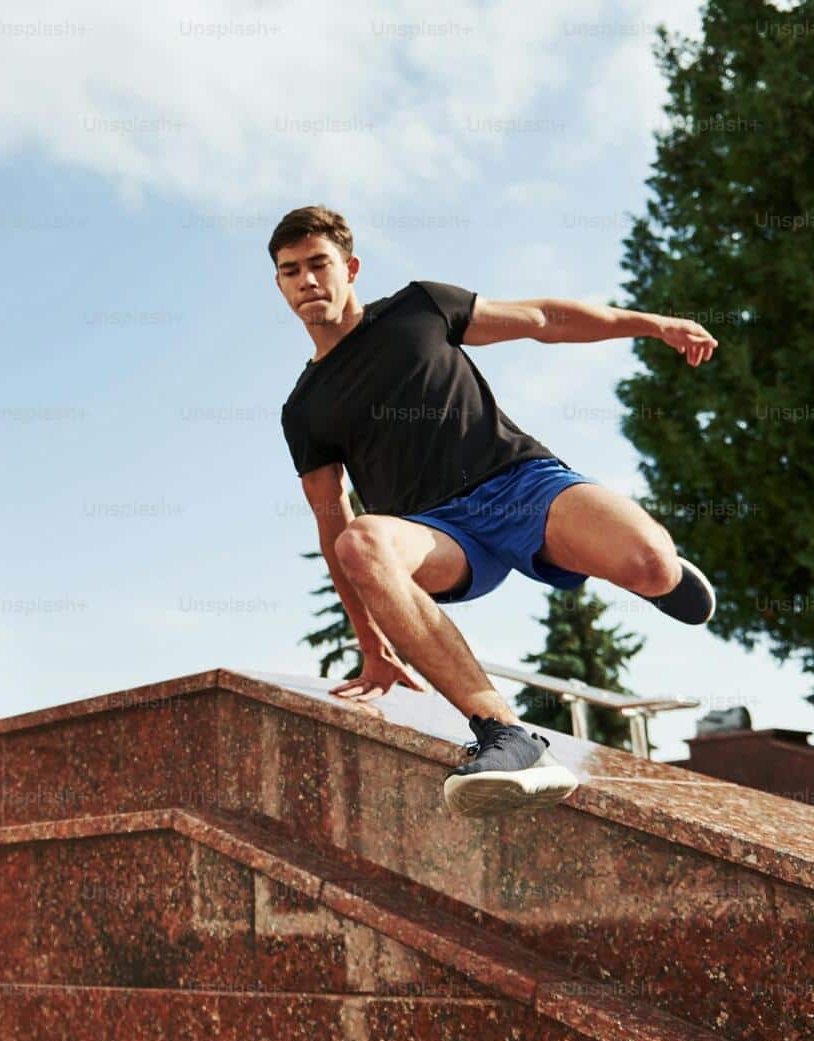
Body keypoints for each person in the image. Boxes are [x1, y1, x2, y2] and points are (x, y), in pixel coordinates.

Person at [274, 205, 719, 817]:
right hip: (435, 535)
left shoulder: (420, 307)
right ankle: (505, 734)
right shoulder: (304, 409)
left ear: (349, 268)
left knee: (648, 563)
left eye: (319, 264)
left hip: (519, 484)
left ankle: (665, 575)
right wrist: (372, 644)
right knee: (360, 542)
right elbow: (332, 525)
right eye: (290, 271)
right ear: (280, 285)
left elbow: (542, 319)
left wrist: (651, 324)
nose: (307, 281)